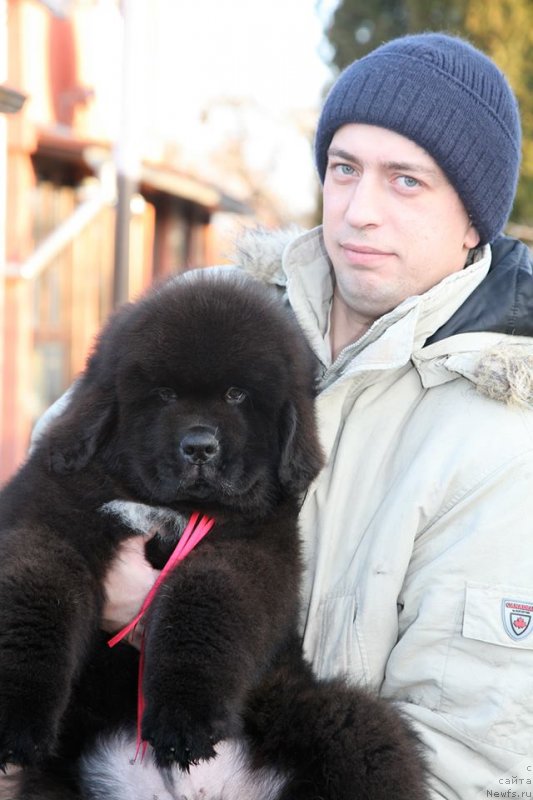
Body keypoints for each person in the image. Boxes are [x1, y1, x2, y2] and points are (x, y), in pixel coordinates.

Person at [42, 32, 533, 798]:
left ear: (473, 218)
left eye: (406, 181)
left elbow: (471, 755)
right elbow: (45, 494)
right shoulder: (206, 311)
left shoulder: (503, 436)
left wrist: (166, 609)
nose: (359, 211)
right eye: (344, 168)